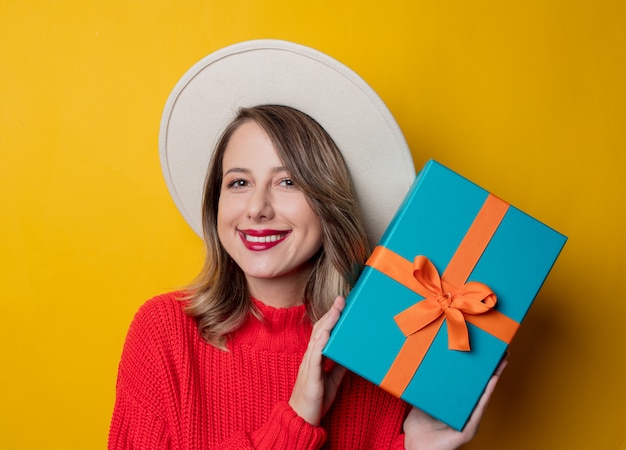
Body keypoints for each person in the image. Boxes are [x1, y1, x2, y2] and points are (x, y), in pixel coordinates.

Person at [109, 41, 505, 449]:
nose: (257, 209)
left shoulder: (386, 344)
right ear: (216, 202)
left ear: (328, 203)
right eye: (239, 183)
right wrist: (295, 420)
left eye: (288, 182)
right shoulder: (164, 334)